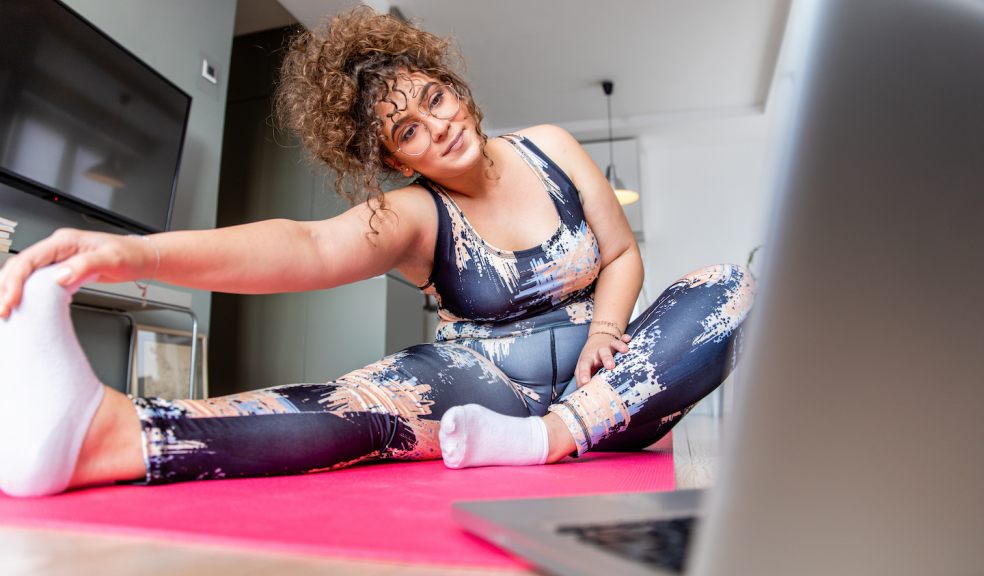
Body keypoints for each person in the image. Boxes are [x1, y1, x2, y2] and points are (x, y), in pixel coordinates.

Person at [0, 6, 753, 498]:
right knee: (351, 408)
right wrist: (135, 255)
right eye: (409, 132)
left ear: (454, 86)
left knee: (729, 286)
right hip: (479, 389)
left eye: (435, 99)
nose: (438, 126)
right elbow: (304, 246)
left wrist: (604, 332)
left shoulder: (552, 148)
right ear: (399, 161)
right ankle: (104, 434)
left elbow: (620, 256)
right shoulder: (417, 214)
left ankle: (552, 439)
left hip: (609, 388)